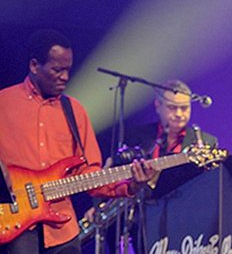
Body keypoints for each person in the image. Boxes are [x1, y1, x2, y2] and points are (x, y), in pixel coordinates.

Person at [0, 29, 153, 254]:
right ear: (34, 66)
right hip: (14, 225)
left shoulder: (75, 111)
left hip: (63, 230)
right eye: (57, 69)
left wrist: (130, 185)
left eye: (68, 70)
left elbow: (88, 173)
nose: (65, 77)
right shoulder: (4, 102)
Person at [82, 79, 218, 253]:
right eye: (172, 107)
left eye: (184, 108)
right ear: (158, 105)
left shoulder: (206, 142)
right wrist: (99, 204)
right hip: (139, 220)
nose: (179, 113)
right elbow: (112, 171)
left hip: (185, 220)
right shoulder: (135, 136)